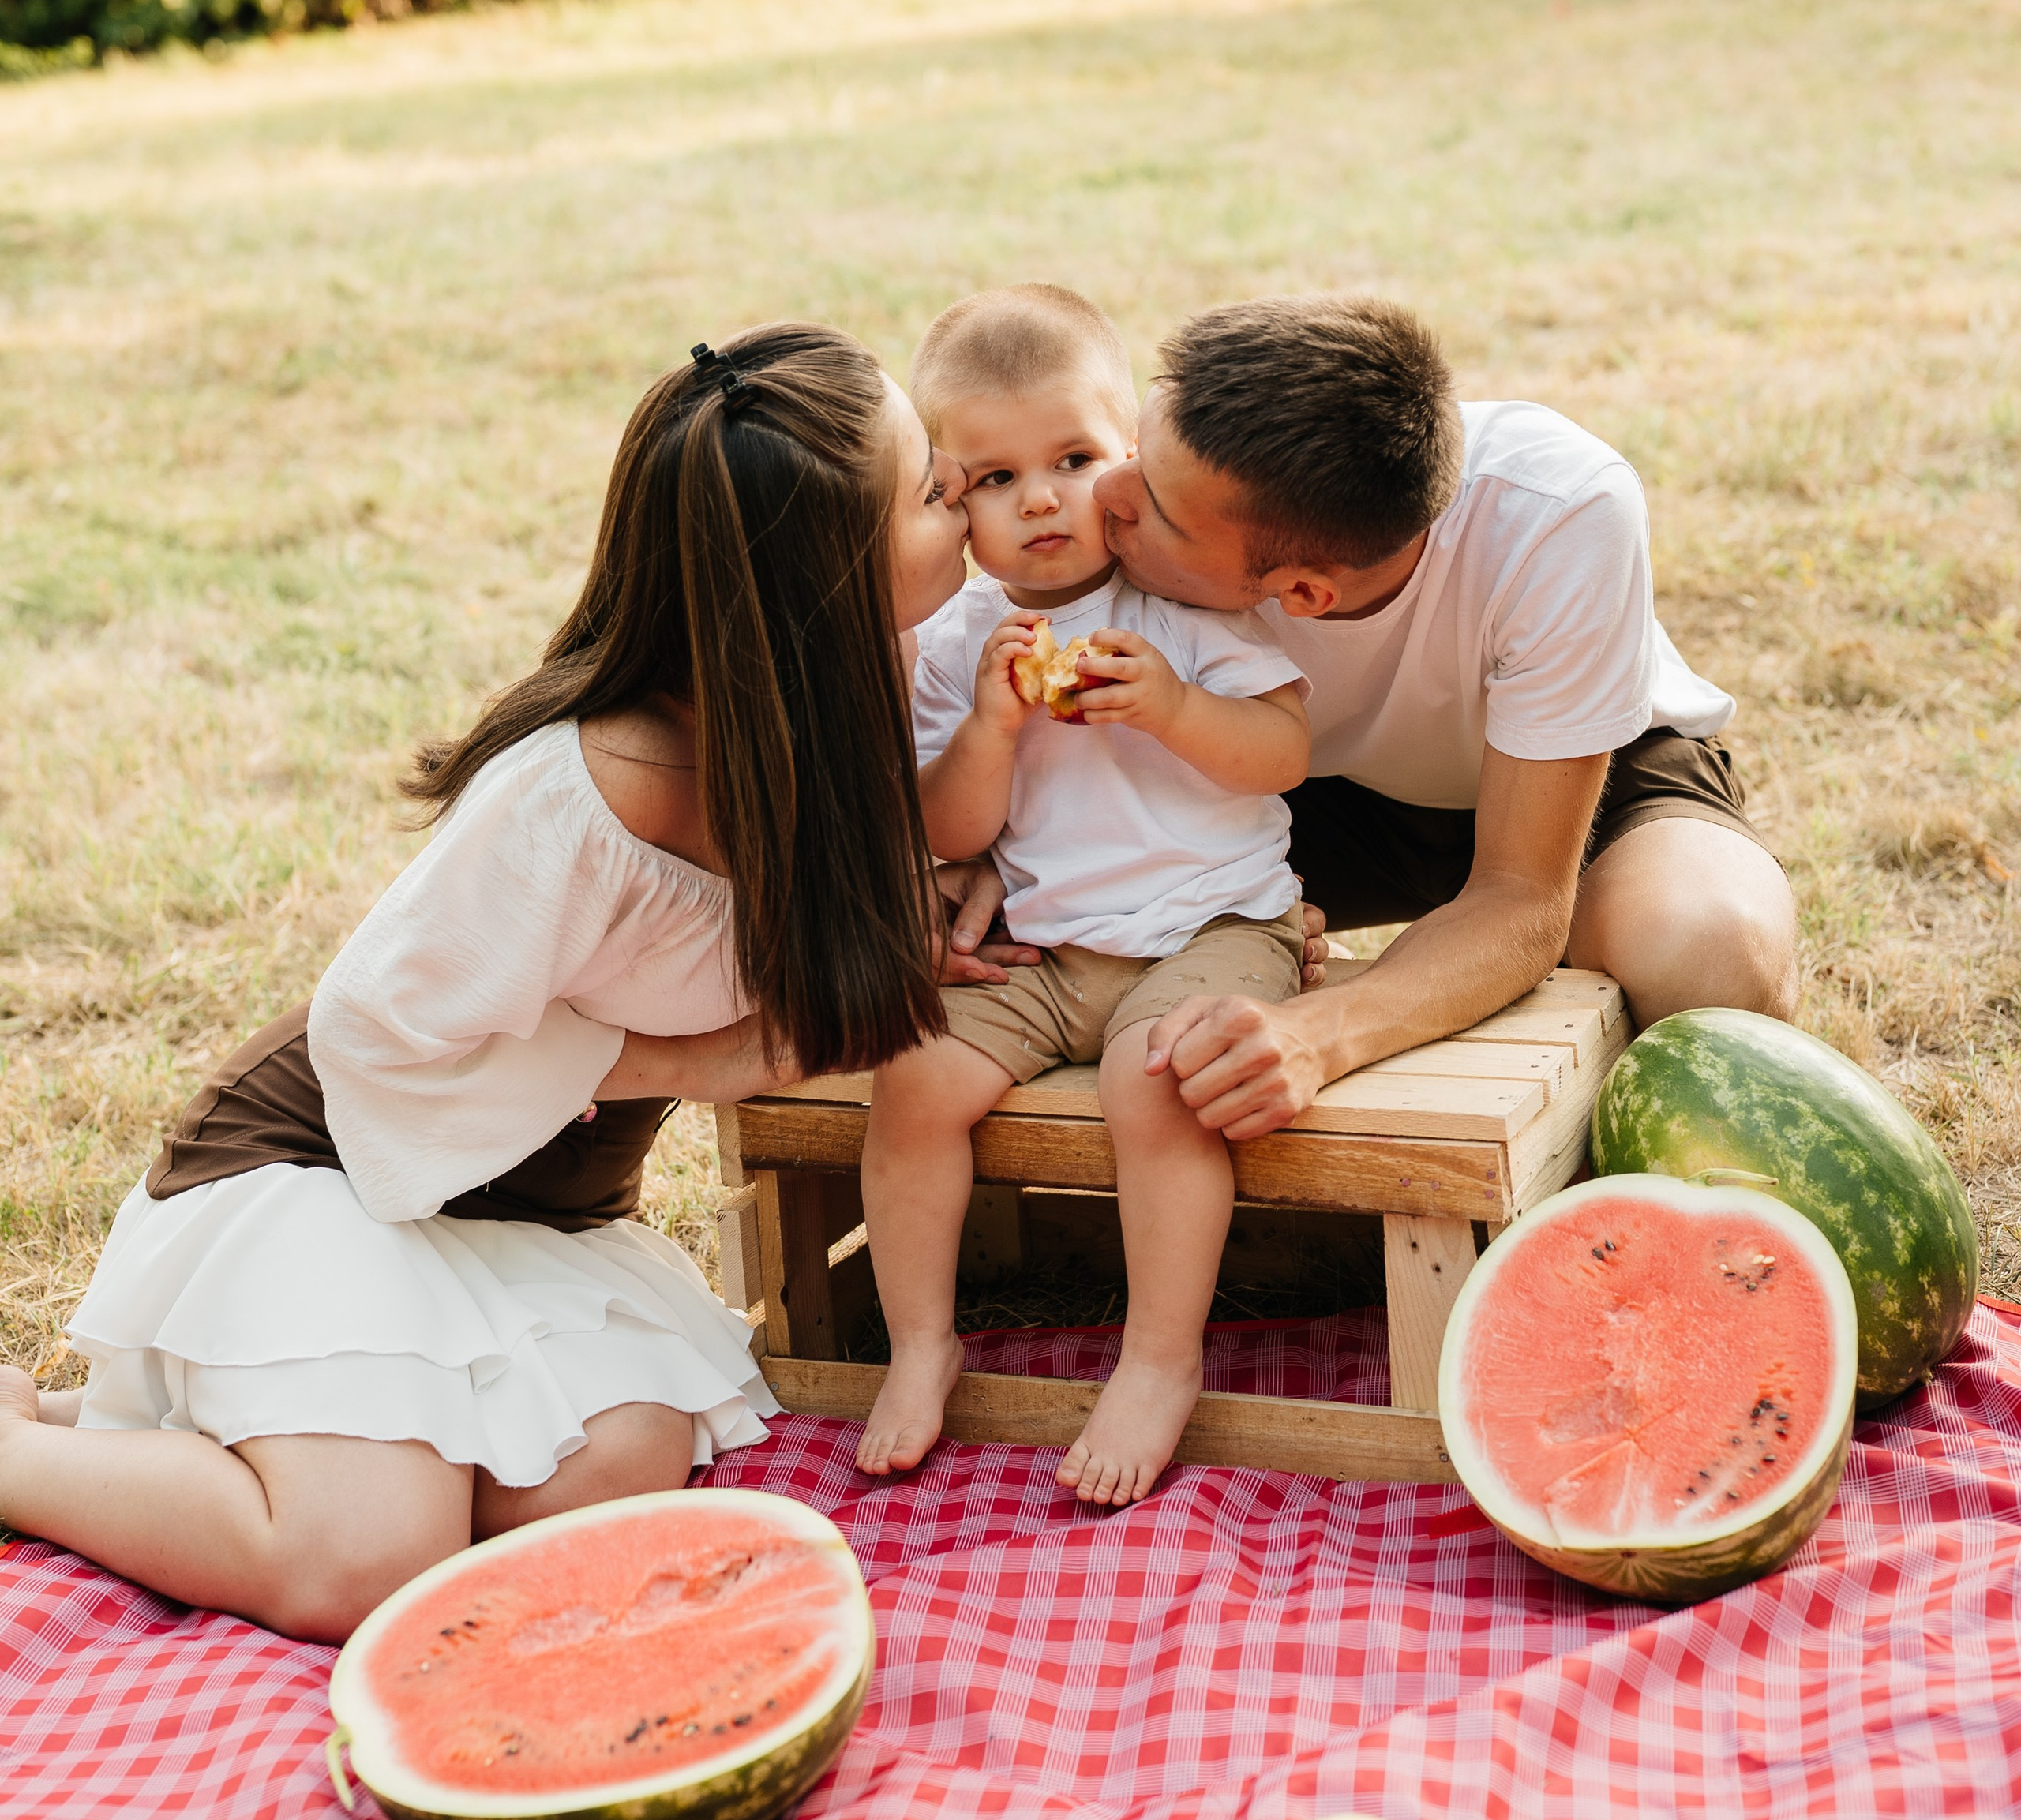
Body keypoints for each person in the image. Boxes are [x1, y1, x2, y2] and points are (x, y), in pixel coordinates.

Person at [0, 326, 977, 1642]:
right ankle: (30, 1448)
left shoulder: (854, 691)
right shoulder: (580, 798)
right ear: (828, 578)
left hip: (522, 1206)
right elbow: (373, 1042)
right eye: (929, 486)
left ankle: (187, 1433)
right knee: (360, 1565)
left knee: (610, 1466)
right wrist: (688, 1065)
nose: (962, 493)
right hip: (330, 1170)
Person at [1085, 294, 1799, 1144]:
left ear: (1305, 596)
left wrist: (1319, 1033)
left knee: (1712, 952)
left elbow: (1521, 896)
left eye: (1157, 508)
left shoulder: (1559, 510)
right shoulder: (1120, 499)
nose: (1105, 491)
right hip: (1277, 780)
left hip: (1582, 783)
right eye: (1135, 448)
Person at [857, 286, 1312, 1506]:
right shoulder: (959, 641)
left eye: (1073, 460)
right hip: (1051, 956)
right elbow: (955, 831)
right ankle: (920, 1344)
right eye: (996, 479)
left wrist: (1172, 705)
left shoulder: (1182, 605)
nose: (1042, 498)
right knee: (912, 1077)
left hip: (1214, 926)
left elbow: (1282, 757)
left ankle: (1160, 1361)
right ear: (949, 502)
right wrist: (994, 730)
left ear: (1130, 460)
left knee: (1152, 1079)